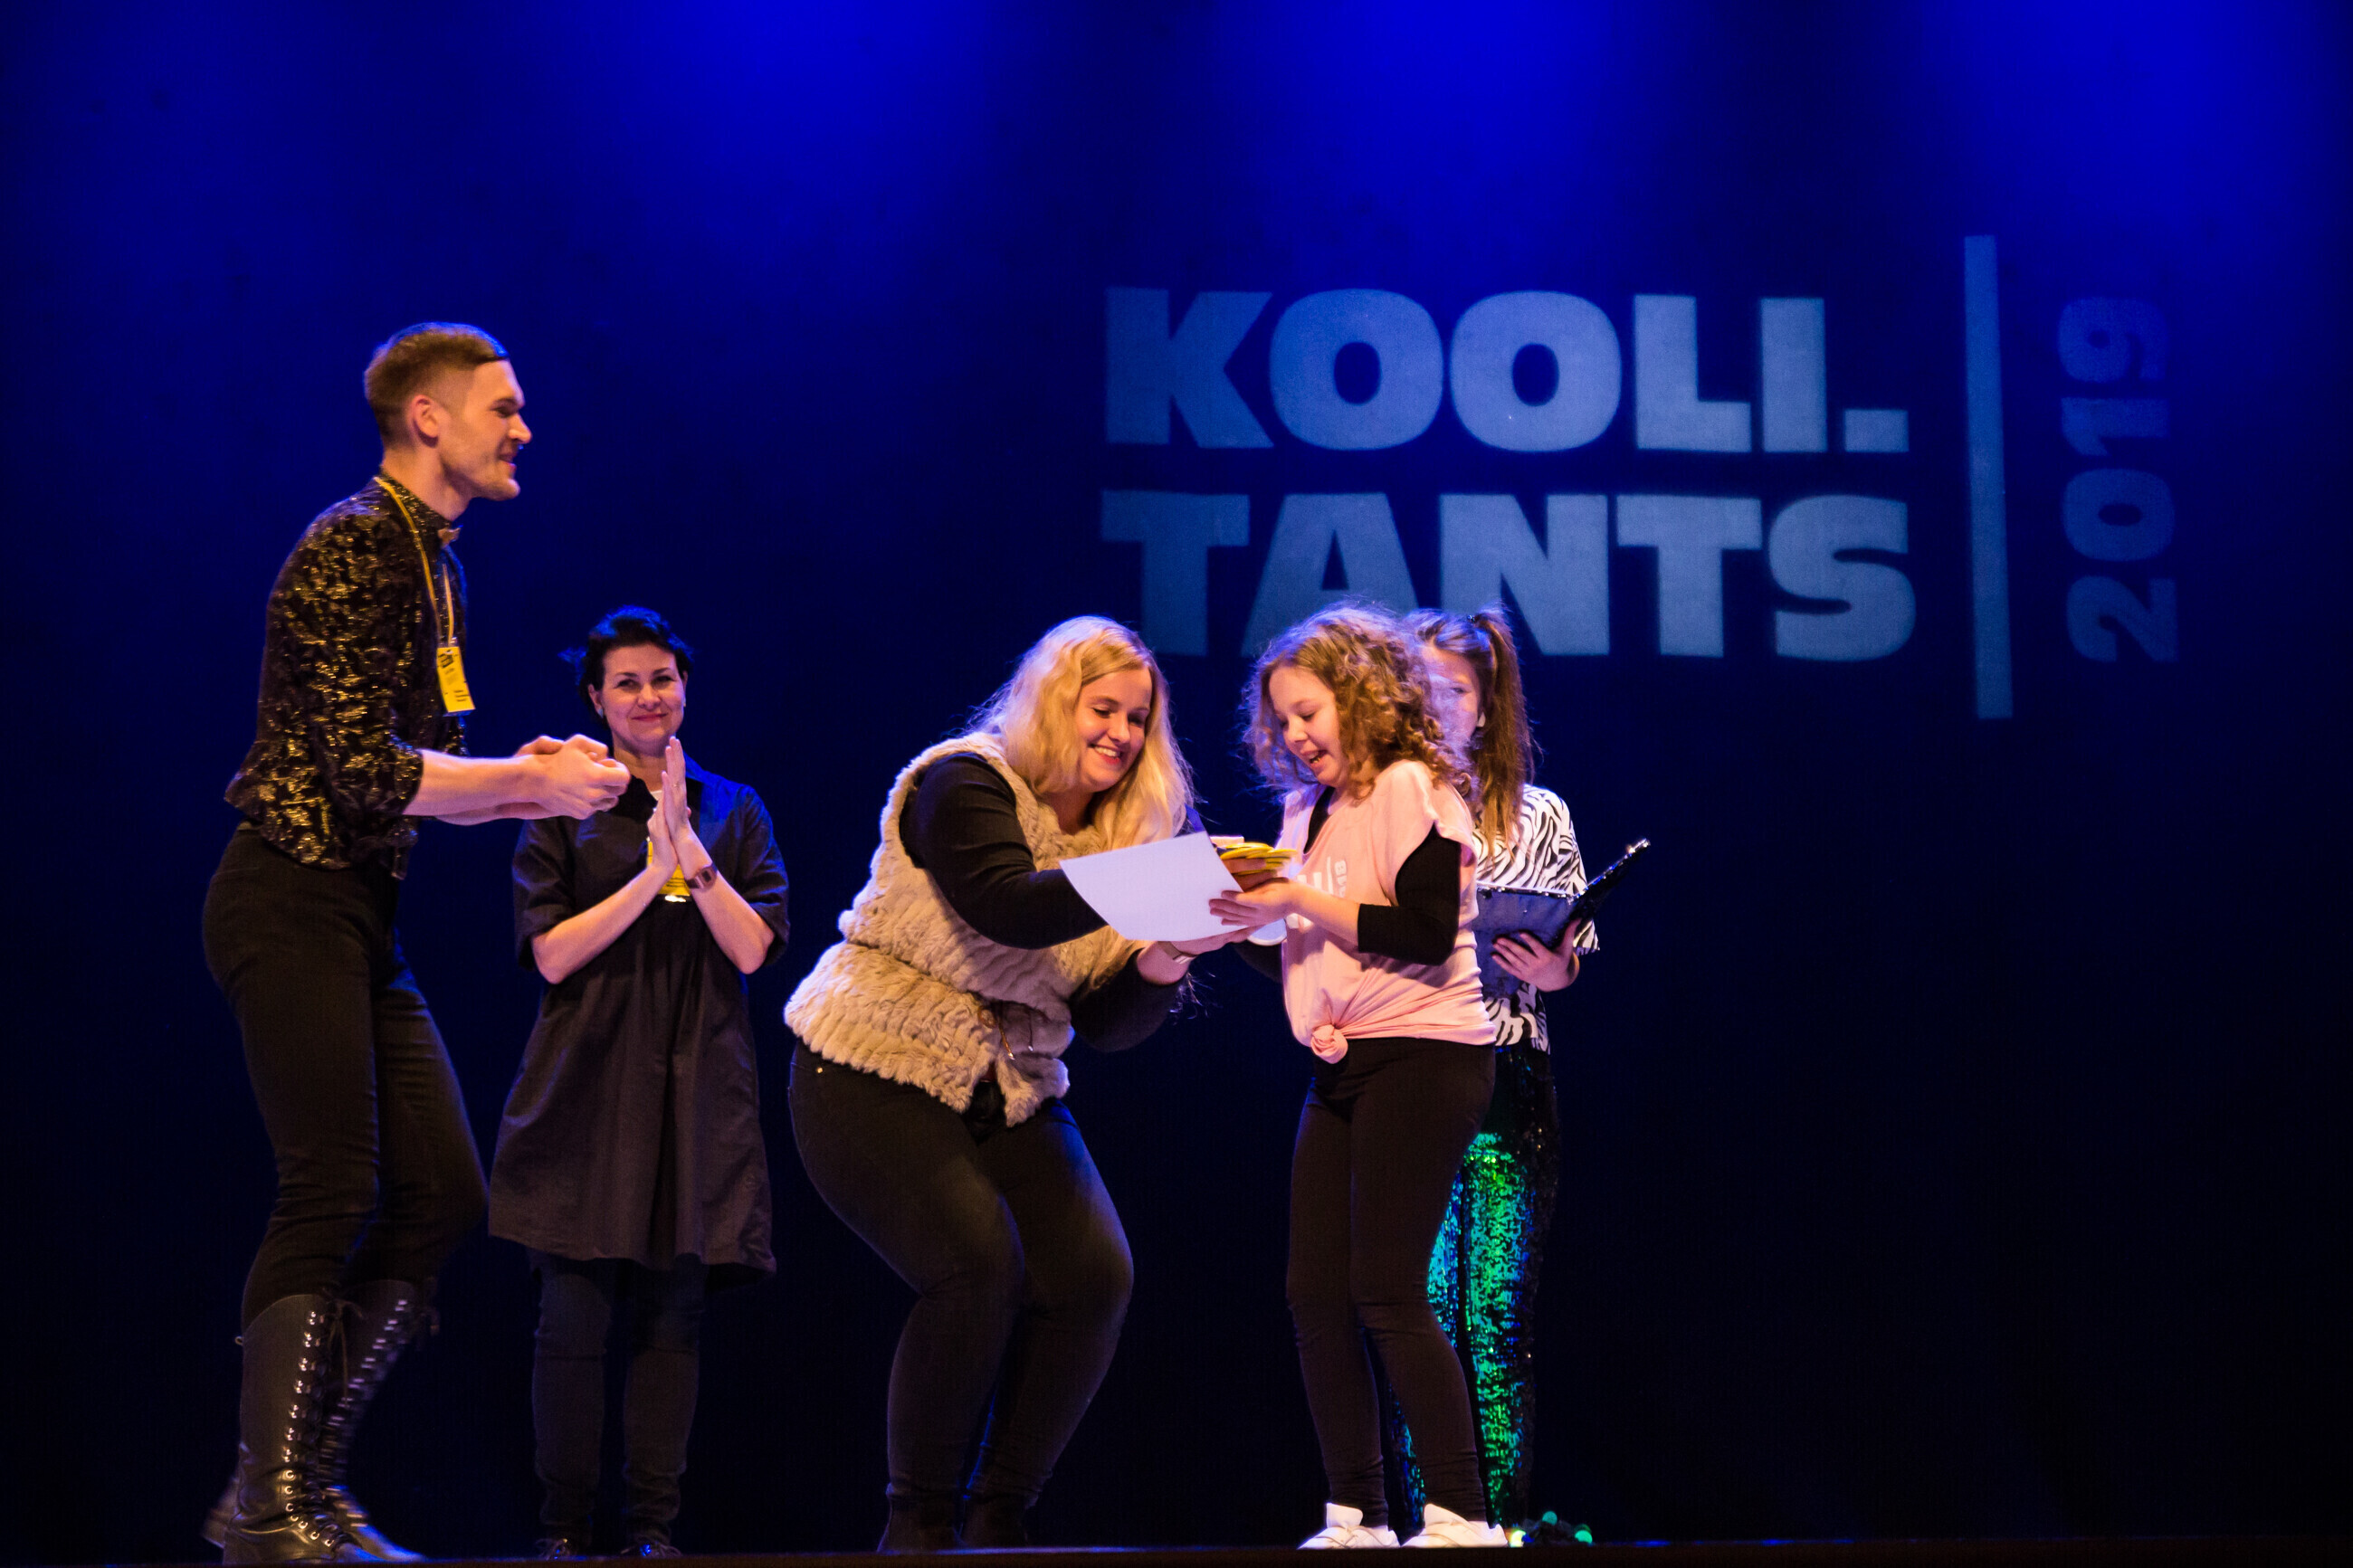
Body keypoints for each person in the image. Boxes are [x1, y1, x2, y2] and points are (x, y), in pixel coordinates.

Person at [201, 323, 630, 1563]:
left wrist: (526, 775)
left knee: (442, 1188)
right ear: (428, 417)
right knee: (331, 1183)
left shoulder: (434, 563)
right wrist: (525, 785)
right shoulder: (354, 544)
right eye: (504, 407)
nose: (524, 429)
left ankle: (298, 1484)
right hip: (287, 894)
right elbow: (362, 771)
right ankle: (270, 1502)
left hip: (355, 912)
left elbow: (420, 775)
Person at [784, 616, 1232, 1552]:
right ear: (1052, 702)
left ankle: (999, 1517)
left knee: (1095, 1275)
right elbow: (1006, 905)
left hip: (1012, 1079)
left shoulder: (1125, 835)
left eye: (1138, 718)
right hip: (871, 1058)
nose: (1120, 732)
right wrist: (1153, 879)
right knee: (977, 1264)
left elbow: (1105, 1023)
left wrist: (1171, 952)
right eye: (1102, 708)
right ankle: (917, 1526)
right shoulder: (965, 780)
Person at [489, 608, 790, 1558]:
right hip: (587, 1083)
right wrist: (648, 872)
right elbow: (549, 952)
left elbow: (753, 946)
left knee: (673, 1317)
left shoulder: (734, 808)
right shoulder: (560, 805)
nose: (648, 696)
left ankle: (652, 1531)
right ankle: (564, 1532)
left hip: (697, 1087)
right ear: (596, 698)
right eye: (627, 682)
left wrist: (690, 853)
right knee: (572, 1318)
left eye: (662, 678)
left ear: (684, 687)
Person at [1205, 602, 1506, 1550]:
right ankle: (1357, 1513)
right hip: (1342, 1060)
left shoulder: (1414, 787)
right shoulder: (1306, 811)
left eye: (1310, 711)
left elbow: (1421, 932)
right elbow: (1308, 948)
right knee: (1313, 1292)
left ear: (1364, 697)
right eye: (1283, 719)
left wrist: (1294, 896)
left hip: (1425, 1053)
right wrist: (1228, 922)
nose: (1296, 733)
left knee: (1386, 1287)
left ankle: (1460, 1513)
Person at [1385, 605, 1597, 1535]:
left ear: (1487, 703)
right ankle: (1434, 1521)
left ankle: (1500, 1526)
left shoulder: (1539, 812)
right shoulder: (1383, 802)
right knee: (1419, 1312)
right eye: (1422, 689)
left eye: (1455, 690)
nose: (1438, 705)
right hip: (1412, 1070)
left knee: (1497, 1317)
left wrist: (1553, 966)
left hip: (1509, 1077)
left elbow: (1571, 953)